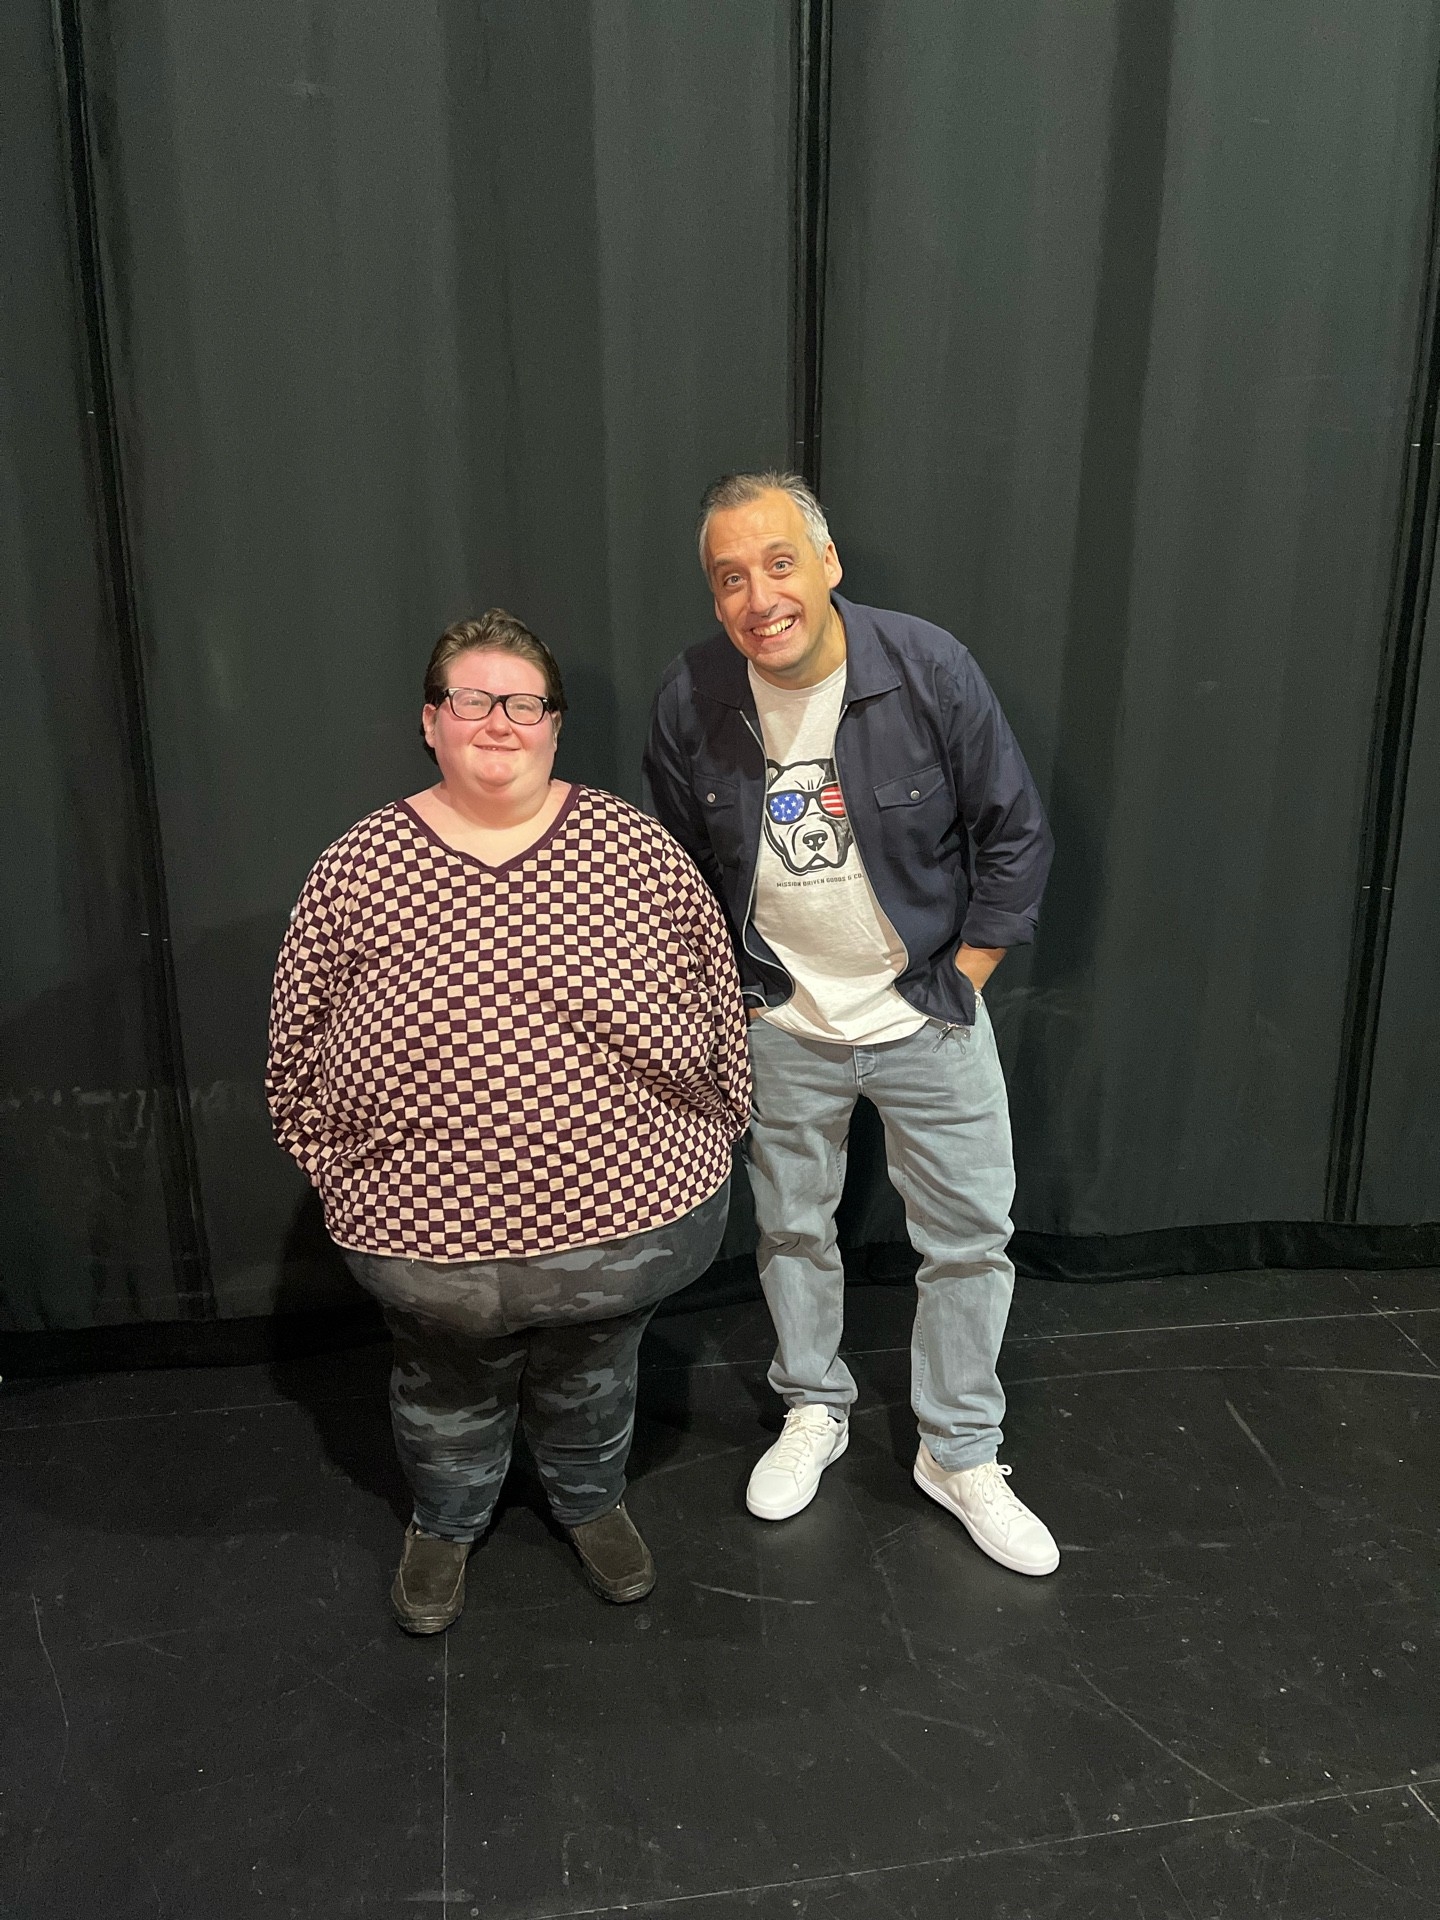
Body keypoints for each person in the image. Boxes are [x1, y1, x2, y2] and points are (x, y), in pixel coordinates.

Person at [268, 609, 750, 1632]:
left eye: (524, 703)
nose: (499, 721)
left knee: (594, 1377)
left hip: (626, 1223)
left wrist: (716, 1129)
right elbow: (296, 1045)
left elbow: (718, 1002)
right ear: (430, 720)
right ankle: (445, 1522)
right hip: (423, 1239)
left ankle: (591, 1501)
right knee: (443, 1392)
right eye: (472, 699)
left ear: (555, 724)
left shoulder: (635, 851)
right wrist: (343, 1171)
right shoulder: (357, 867)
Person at [644, 473, 1059, 1576]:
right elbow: (677, 874)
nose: (758, 597)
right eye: (730, 578)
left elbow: (1015, 835)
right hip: (780, 1019)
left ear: (828, 563)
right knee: (791, 1230)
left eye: (779, 562)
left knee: (968, 1240)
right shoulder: (690, 697)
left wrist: (963, 977)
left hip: (925, 1011)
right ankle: (812, 1409)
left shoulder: (927, 667)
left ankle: (960, 1452)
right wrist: (727, 999)